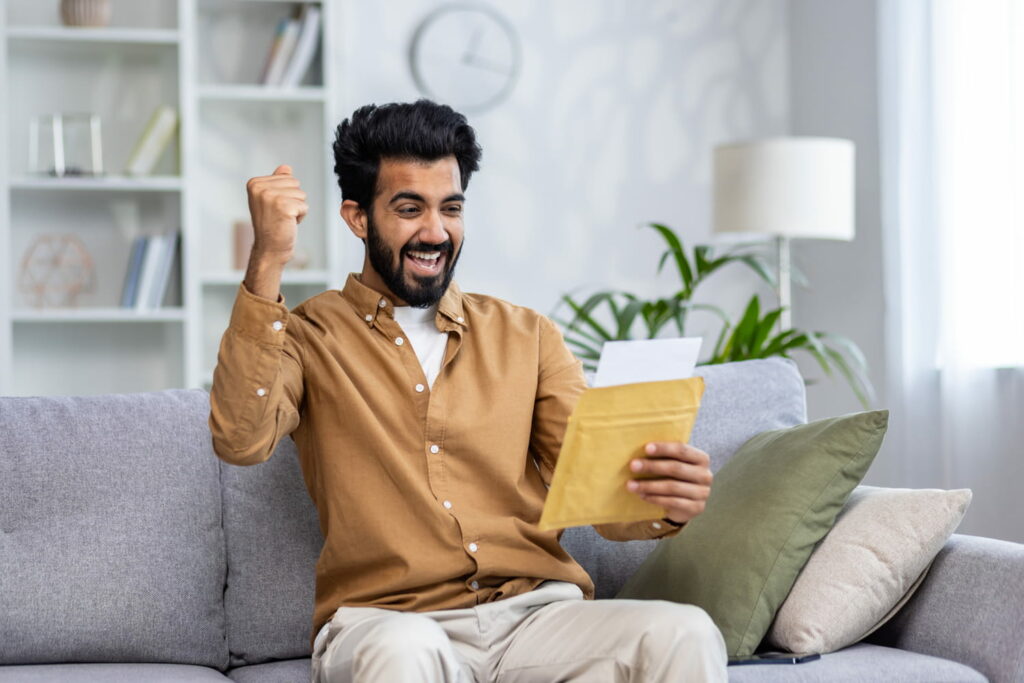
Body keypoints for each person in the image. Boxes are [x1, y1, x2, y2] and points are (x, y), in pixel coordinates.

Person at [208, 99, 728, 683]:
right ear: (358, 217)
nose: (435, 232)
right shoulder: (307, 335)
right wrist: (268, 260)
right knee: (404, 653)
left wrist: (662, 499)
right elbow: (239, 439)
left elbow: (599, 497)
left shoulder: (526, 335)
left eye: (450, 208)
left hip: (534, 620)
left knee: (683, 633)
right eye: (409, 208)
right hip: (388, 622)